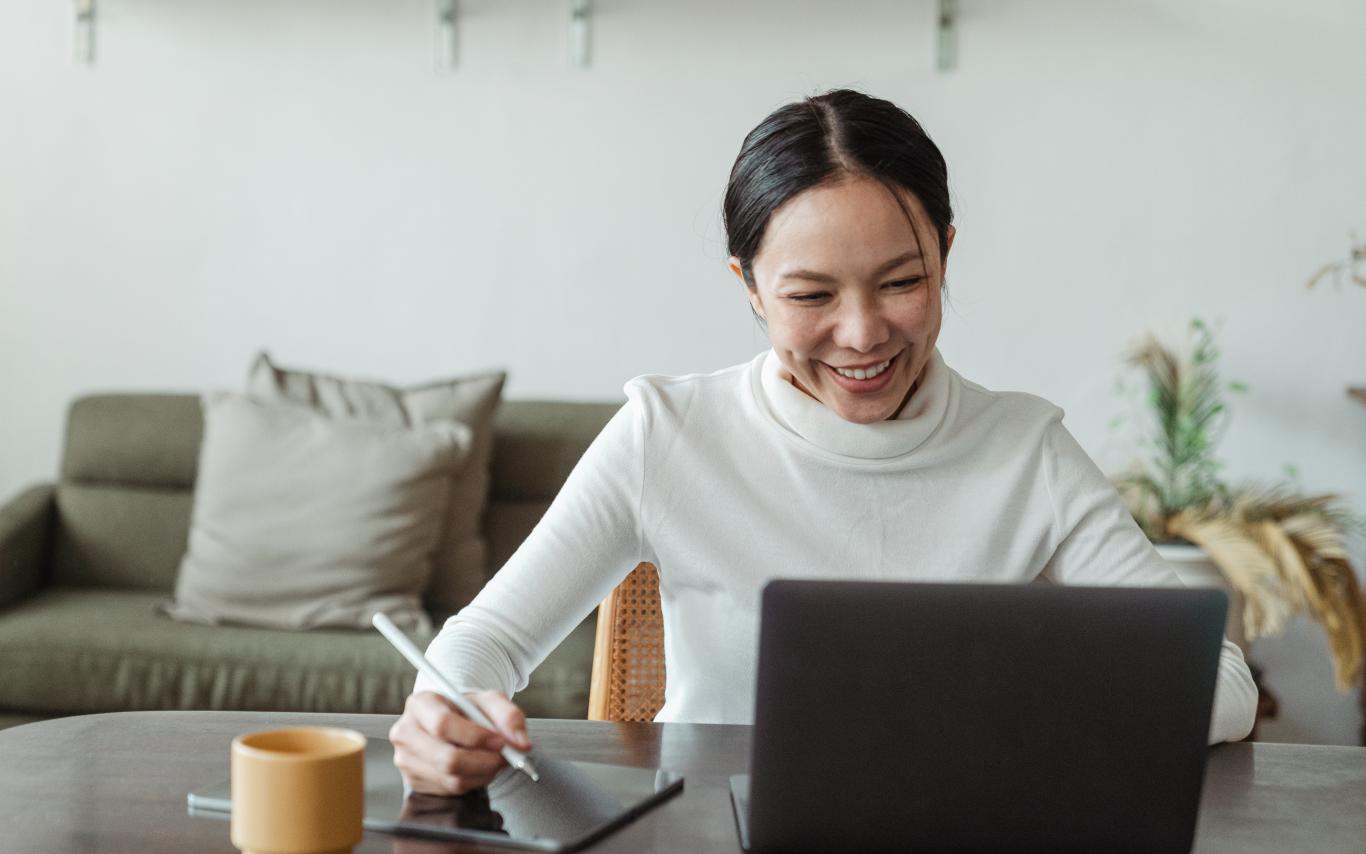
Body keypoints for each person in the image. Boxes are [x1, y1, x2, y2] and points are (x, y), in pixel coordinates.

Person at [389, 89, 1258, 795]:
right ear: (751, 288)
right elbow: (483, 642)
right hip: (710, 828)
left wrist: (1023, 704)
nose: (862, 334)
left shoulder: (1025, 450)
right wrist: (445, 712)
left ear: (945, 256)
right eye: (810, 296)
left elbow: (1222, 685)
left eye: (903, 281)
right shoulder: (669, 435)